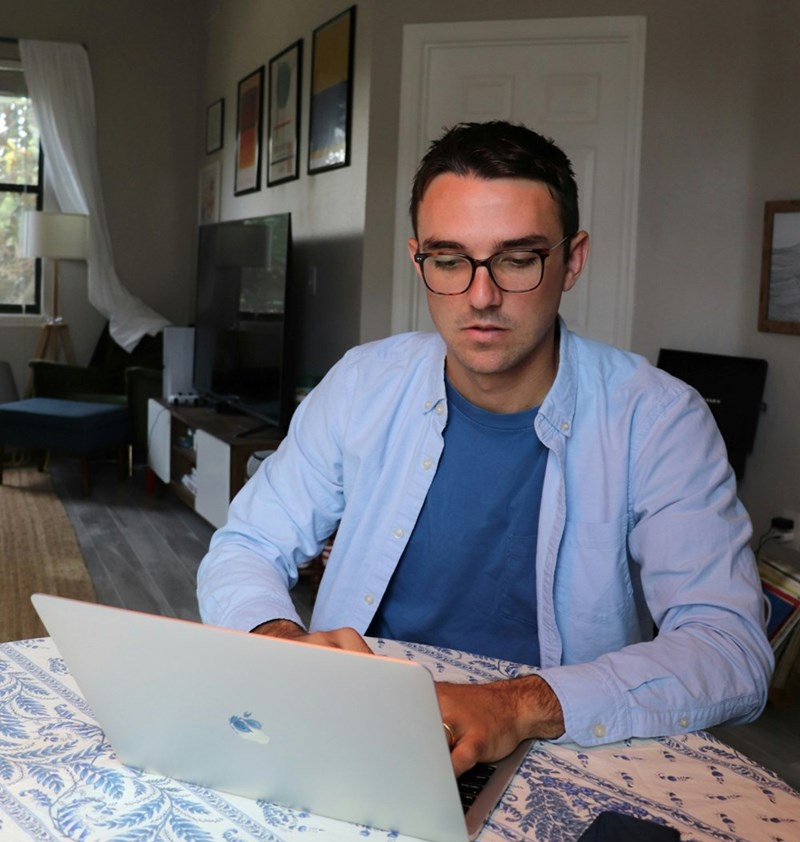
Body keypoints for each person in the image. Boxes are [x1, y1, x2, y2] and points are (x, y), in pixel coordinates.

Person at [198, 121, 773, 777]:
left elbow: (730, 650)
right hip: (356, 729)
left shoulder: (659, 420)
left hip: (556, 749)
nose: (481, 297)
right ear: (420, 258)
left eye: (518, 259)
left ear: (573, 261)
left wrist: (515, 707)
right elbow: (245, 545)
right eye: (449, 261)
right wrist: (278, 640)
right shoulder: (362, 383)